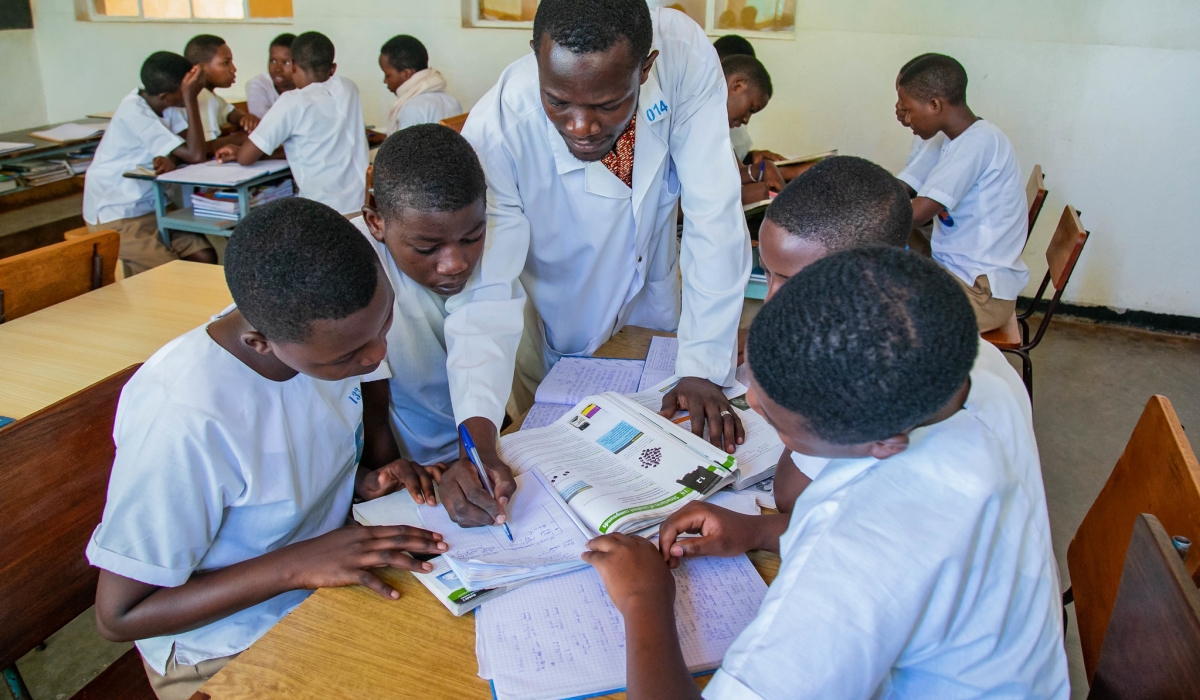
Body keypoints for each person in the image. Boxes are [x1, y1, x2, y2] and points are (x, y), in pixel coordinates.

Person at [583, 246, 1070, 699]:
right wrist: (761, 528)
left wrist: (644, 599)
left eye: (779, 424)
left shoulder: (857, 551)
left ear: (882, 444)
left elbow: (874, 555)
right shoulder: (972, 371)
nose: (751, 402)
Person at [86, 197, 449, 700]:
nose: (377, 356)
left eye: (385, 323)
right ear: (260, 342)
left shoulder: (336, 335)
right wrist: (294, 564)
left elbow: (293, 459)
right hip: (224, 644)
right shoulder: (185, 418)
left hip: (318, 582)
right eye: (349, 356)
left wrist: (364, 480)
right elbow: (120, 615)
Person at [446, 0, 752, 529]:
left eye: (610, 104)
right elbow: (485, 291)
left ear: (647, 67)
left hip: (650, 307)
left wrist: (702, 366)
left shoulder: (683, 56)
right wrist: (477, 437)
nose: (582, 125)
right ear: (536, 59)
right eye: (558, 101)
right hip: (554, 319)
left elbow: (714, 214)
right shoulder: (500, 127)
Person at [355, 124, 487, 479]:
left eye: (473, 238)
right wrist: (398, 482)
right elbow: (373, 414)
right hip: (416, 462)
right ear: (376, 223)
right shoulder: (358, 266)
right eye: (427, 249)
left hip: (481, 434)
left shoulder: (494, 240)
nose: (455, 264)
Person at [894, 53, 1030, 332]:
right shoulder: (951, 136)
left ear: (934, 105)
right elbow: (900, 190)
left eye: (907, 109)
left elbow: (914, 214)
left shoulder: (979, 143)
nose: (903, 117)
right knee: (877, 256)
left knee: (877, 309)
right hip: (953, 269)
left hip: (980, 295)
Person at [82, 52, 216, 274]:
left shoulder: (166, 104)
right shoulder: (133, 111)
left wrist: (171, 156)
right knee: (171, 273)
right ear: (166, 96)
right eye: (186, 90)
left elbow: (186, 143)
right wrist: (190, 98)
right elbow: (195, 154)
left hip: (154, 205)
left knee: (204, 255)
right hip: (118, 215)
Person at [216, 32, 369, 215]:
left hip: (324, 210)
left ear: (293, 65)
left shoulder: (293, 101)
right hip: (363, 204)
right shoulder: (348, 87)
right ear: (333, 68)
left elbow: (245, 158)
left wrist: (239, 152)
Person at [169, 34, 258, 143]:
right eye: (226, 63)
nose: (233, 69)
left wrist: (243, 117)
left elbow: (230, 112)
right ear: (200, 69)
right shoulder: (202, 96)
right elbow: (207, 148)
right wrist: (243, 136)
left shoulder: (210, 96)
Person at [722, 54, 783, 202]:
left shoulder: (718, 129)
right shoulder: (690, 120)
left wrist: (764, 168)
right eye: (750, 109)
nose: (746, 120)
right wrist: (742, 197)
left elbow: (736, 172)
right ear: (738, 85)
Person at [379, 34, 463, 133]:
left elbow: (406, 148)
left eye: (387, 75)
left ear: (406, 73)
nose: (385, 81)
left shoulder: (412, 109)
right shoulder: (452, 101)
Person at [245, 33, 296, 118]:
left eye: (286, 62)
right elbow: (263, 121)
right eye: (273, 61)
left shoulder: (308, 85)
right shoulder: (257, 84)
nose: (277, 69)